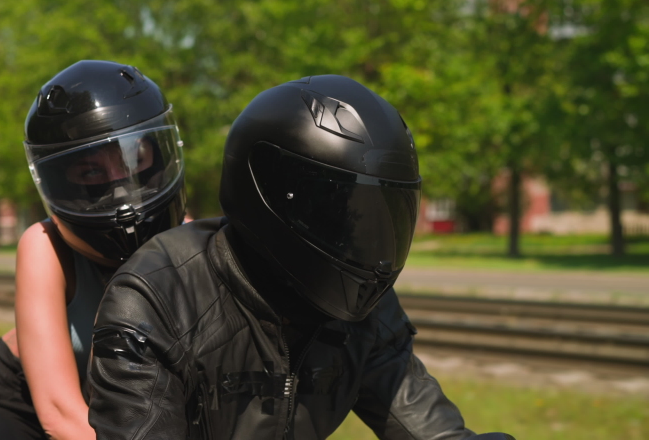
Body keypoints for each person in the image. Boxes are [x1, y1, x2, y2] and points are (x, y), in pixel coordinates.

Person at [87, 75, 511, 439]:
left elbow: (430, 428)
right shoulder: (158, 299)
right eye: (341, 217)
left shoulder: (365, 314)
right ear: (268, 197)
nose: (362, 242)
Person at [0, 60, 187, 440]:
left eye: (135, 159)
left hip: (123, 411)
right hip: (18, 404)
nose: (120, 186)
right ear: (58, 181)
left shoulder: (191, 244)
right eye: (90, 172)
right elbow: (58, 414)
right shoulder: (45, 246)